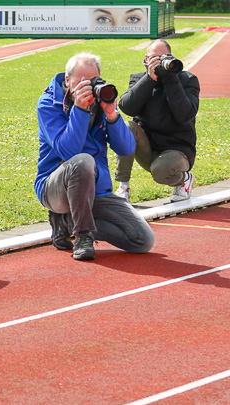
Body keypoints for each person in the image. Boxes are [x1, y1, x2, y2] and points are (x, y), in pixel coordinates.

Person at [35, 52, 155, 261]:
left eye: (92, 81)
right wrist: (80, 110)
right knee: (83, 160)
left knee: (142, 240)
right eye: (80, 81)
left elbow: (126, 149)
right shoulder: (48, 104)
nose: (87, 87)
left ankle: (67, 222)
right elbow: (68, 151)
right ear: (67, 80)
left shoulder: (101, 100)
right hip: (55, 188)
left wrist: (111, 115)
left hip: (96, 190)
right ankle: (82, 236)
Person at [114, 39, 200, 202]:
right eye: (154, 58)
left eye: (163, 57)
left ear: (172, 57)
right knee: (127, 127)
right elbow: (127, 108)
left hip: (178, 150)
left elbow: (185, 115)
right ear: (146, 60)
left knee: (160, 171)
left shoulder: (187, 80)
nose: (159, 62)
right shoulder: (139, 79)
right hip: (148, 148)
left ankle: (184, 180)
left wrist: (171, 79)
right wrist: (149, 78)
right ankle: (123, 187)